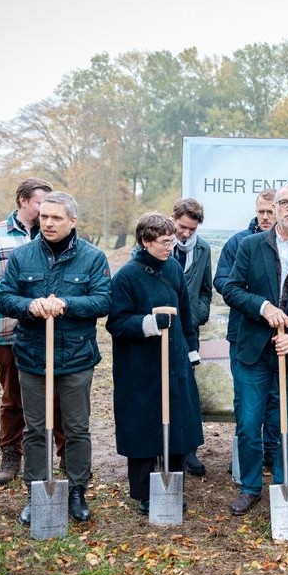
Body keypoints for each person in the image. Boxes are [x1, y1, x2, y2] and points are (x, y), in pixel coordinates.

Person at [0, 192, 111, 525]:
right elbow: (3, 296)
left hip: (76, 357)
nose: (47, 223)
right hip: (33, 357)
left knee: (76, 429)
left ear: (72, 221)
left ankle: (76, 490)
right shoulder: (22, 257)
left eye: (56, 218)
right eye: (44, 216)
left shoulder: (92, 258)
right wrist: (28, 306)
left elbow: (104, 301)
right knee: (35, 429)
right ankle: (36, 491)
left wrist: (67, 304)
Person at [221, 183, 288, 516]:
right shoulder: (250, 246)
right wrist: (263, 307)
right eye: (284, 202)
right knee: (249, 422)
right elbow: (231, 288)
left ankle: (286, 485)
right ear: (275, 206)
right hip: (252, 350)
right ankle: (251, 486)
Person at [106, 213, 204, 514]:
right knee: (144, 425)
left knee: (175, 423)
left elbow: (185, 312)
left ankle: (172, 487)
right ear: (145, 241)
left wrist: (191, 349)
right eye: (164, 242)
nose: (170, 247)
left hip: (174, 358)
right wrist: (149, 323)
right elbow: (116, 323)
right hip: (140, 365)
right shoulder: (126, 277)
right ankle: (145, 492)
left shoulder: (173, 268)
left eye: (172, 241)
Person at [0, 178, 66, 486]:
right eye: (42, 204)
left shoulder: (56, 237)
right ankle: (11, 453)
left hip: (52, 335)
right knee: (13, 398)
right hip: (8, 333)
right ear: (23, 201)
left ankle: (65, 454)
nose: (47, 212)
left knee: (57, 397)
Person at [213, 189, 279, 472]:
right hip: (243, 333)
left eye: (270, 212)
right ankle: (244, 457)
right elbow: (223, 282)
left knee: (276, 399)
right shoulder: (238, 242)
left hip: (279, 337)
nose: (264, 217)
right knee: (245, 400)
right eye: (260, 211)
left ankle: (273, 455)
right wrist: (252, 298)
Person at [170, 197, 212, 476]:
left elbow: (206, 289)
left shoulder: (203, 249)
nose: (185, 233)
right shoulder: (154, 243)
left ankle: (189, 449)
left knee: (187, 389)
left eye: (191, 230)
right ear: (173, 218)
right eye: (182, 227)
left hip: (189, 331)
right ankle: (161, 447)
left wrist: (197, 313)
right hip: (157, 328)